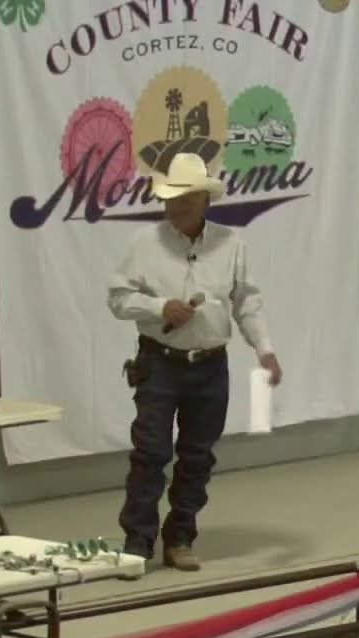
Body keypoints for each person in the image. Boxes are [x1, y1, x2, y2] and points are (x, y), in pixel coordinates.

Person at [108, 153, 283, 572]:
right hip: (159, 362)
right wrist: (157, 307)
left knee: (198, 456)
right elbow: (117, 298)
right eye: (172, 198)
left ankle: (180, 536)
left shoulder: (231, 244)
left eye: (186, 197)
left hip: (210, 364)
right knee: (150, 451)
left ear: (206, 199)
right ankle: (137, 539)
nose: (177, 206)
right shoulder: (144, 244)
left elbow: (247, 303)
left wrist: (265, 349)